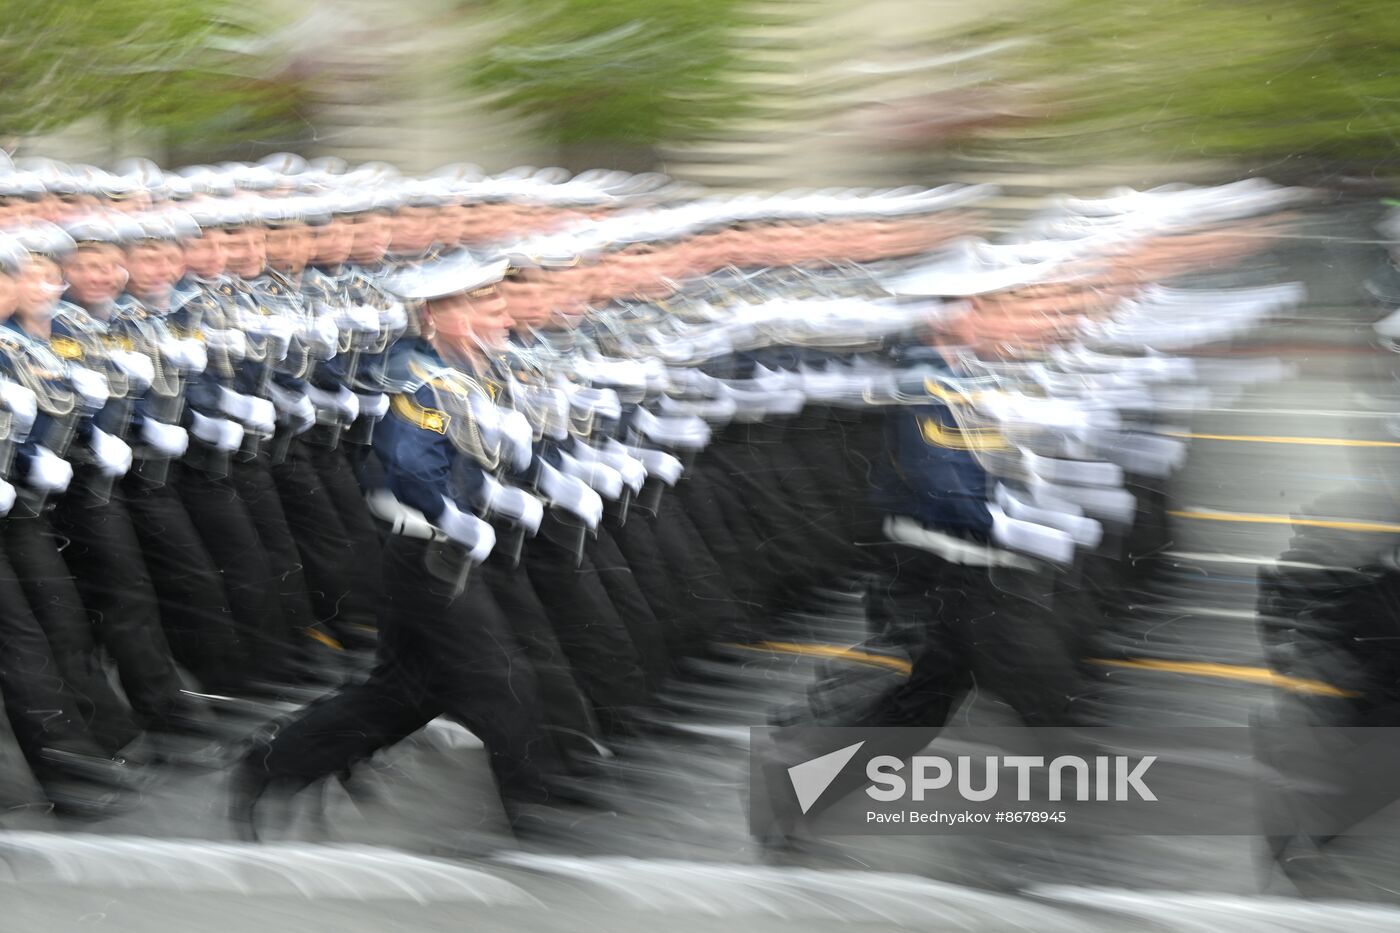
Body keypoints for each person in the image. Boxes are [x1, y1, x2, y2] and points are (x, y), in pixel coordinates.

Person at [228, 253, 571, 839]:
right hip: (427, 553)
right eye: (486, 304)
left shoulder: (473, 369)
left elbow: (466, 460)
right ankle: (538, 816)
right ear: (441, 315)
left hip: (443, 550)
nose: (502, 314)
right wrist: (453, 516)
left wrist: (500, 491)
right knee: (497, 678)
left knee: (406, 692)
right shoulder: (424, 378)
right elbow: (411, 467)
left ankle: (271, 764)